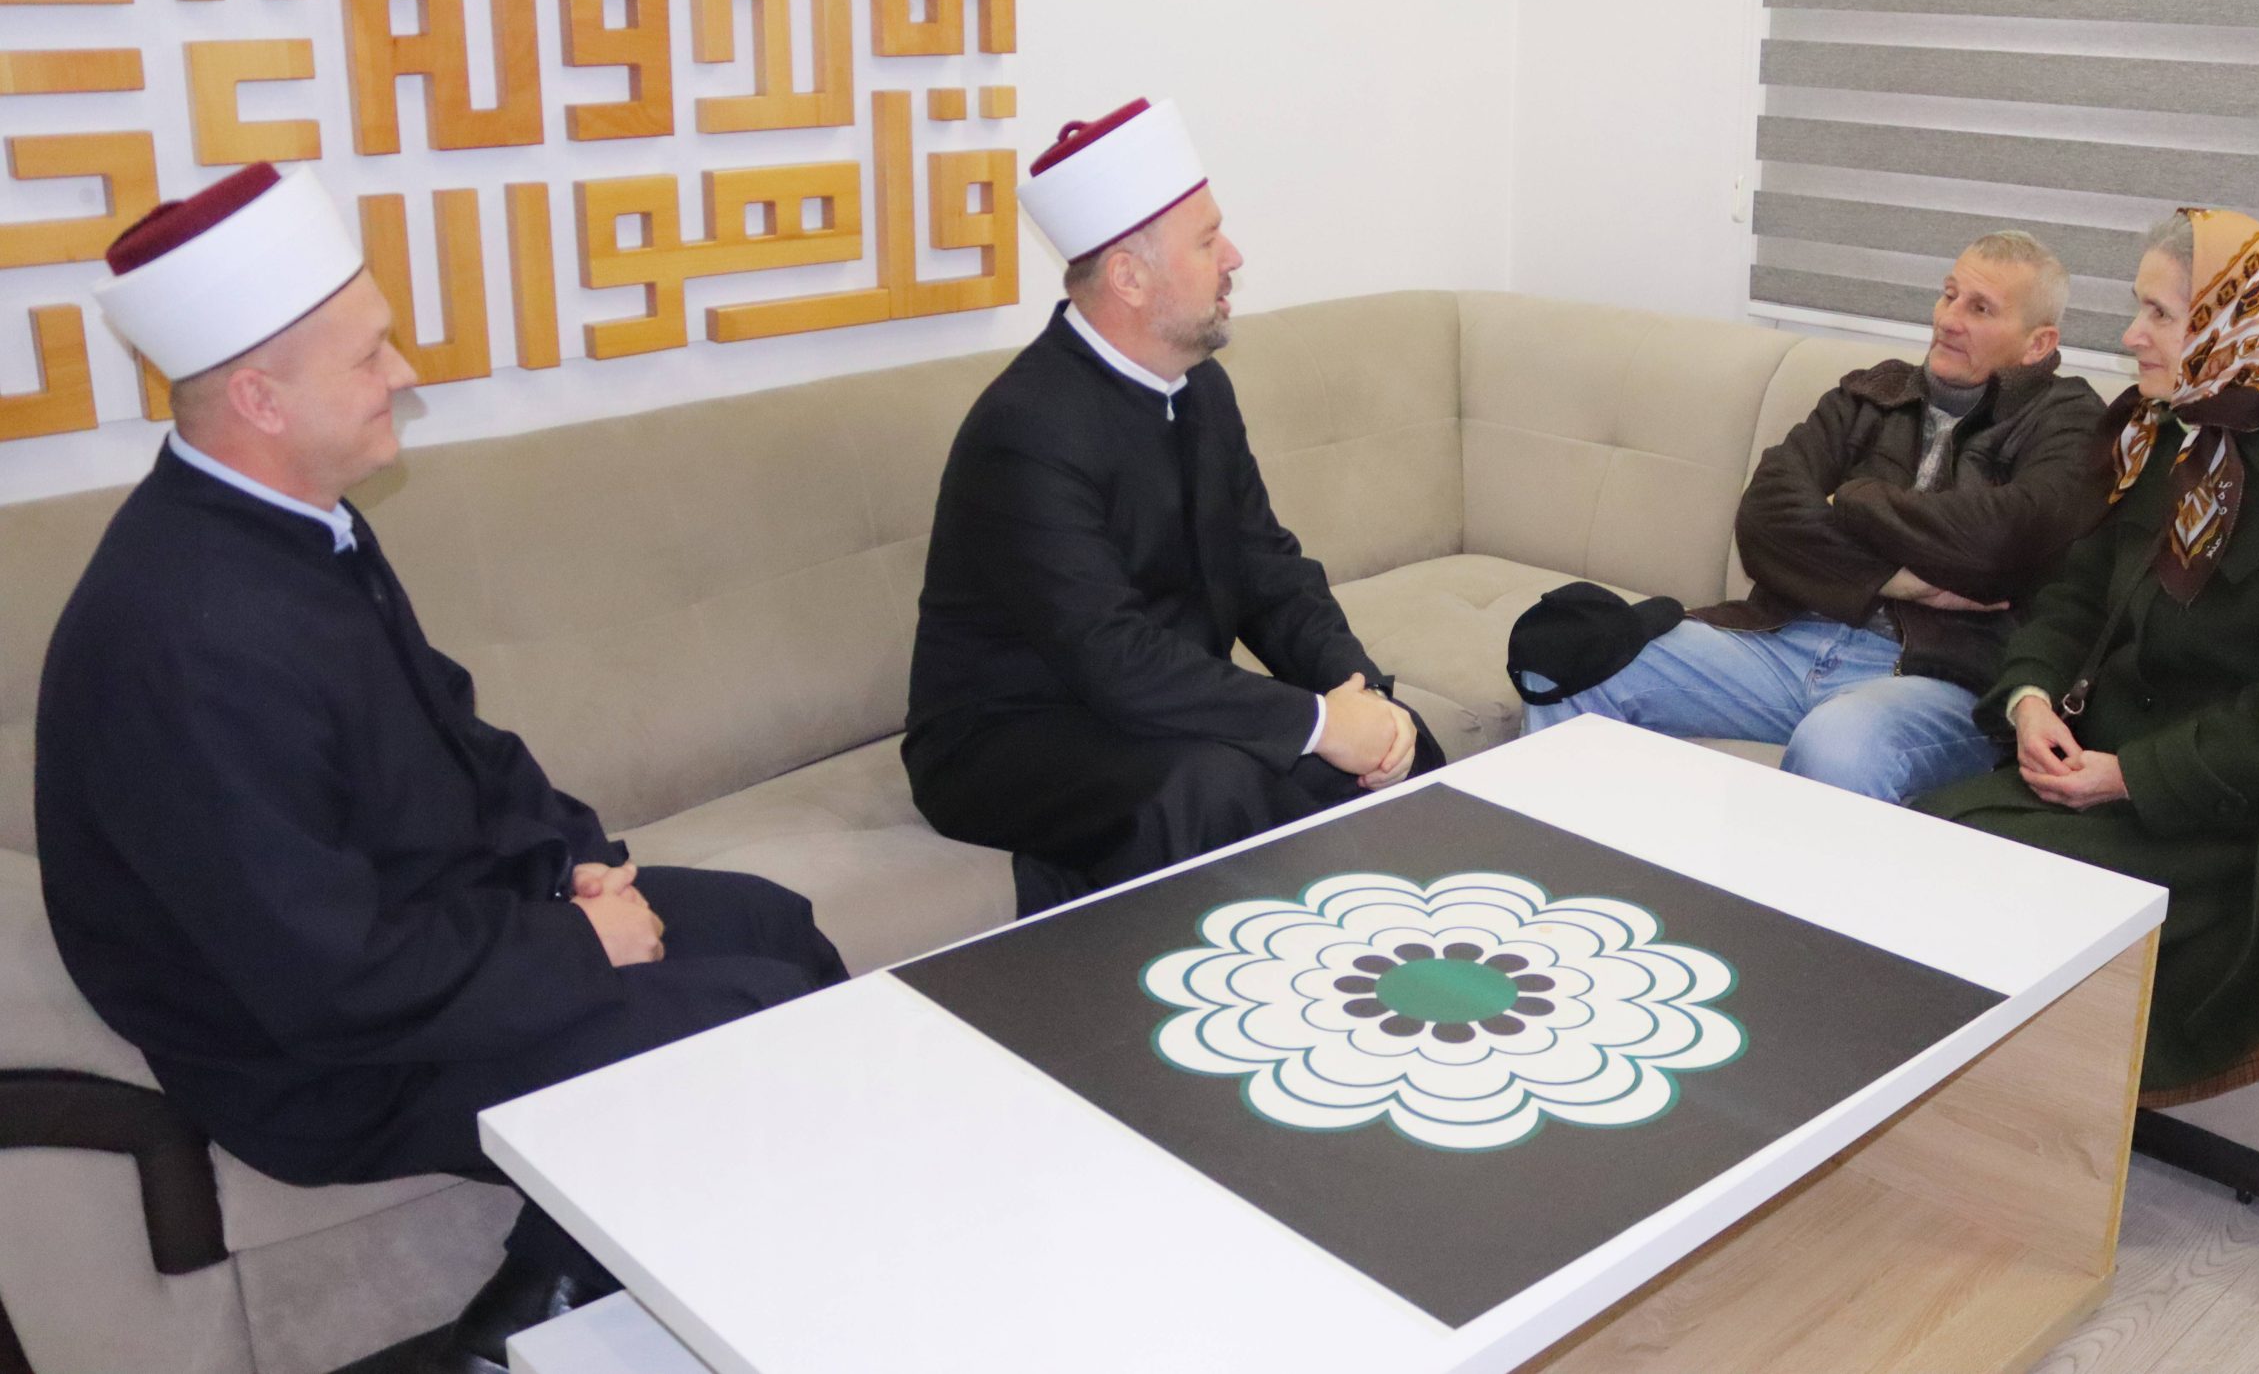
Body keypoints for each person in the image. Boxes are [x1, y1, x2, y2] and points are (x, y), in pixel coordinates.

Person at [35, 164, 849, 1373]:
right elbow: (320, 977)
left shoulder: (301, 527)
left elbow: (459, 740)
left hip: (431, 940)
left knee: (772, 924)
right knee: (749, 1017)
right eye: (369, 356)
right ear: (260, 398)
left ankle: (724, 1270)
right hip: (317, 1060)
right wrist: (576, 947)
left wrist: (575, 864)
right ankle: (524, 1327)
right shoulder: (186, 631)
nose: (405, 374)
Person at [904, 99, 1442, 913]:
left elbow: (1269, 572)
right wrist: (1317, 722)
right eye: (1207, 241)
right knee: (1215, 784)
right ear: (1129, 276)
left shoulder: (1201, 389)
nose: (1234, 257)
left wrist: (1358, 692)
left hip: (1158, 702)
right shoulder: (1026, 429)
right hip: (1011, 733)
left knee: (1402, 744)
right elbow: (1111, 655)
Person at [1912, 209, 2259, 1104]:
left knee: (1975, 861)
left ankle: (2026, 1132)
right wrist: (2029, 699)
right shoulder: (2163, 436)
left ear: (2233, 324)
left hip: (2227, 800)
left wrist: (2132, 775)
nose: (2133, 335)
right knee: (1923, 840)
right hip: (2108, 755)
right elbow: (2073, 601)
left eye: (2160, 314)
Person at [1523, 230, 2106, 804]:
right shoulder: (1871, 395)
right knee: (1572, 660)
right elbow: (1764, 517)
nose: (1949, 319)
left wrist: (1854, 497)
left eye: (1980, 308)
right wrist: (1896, 580)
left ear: (2038, 344)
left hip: (1938, 680)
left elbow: (2002, 542)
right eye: (1948, 295)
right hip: (1785, 641)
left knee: (1837, 746)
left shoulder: (2070, 419)